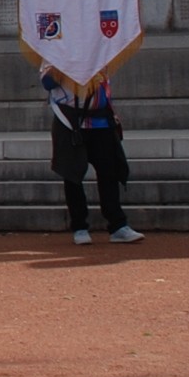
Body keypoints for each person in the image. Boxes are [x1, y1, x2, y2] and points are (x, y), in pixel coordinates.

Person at [44, 69, 143, 246]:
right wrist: (66, 67)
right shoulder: (56, 49)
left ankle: (118, 225)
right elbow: (47, 82)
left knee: (109, 172)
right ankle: (79, 227)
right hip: (69, 119)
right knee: (73, 173)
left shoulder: (101, 48)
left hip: (101, 119)